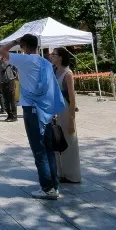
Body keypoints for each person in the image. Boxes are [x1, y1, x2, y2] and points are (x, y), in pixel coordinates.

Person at [0, 34, 65, 200]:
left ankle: (47, 188)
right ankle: (54, 186)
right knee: (48, 149)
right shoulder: (45, 62)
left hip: (32, 109)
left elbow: (2, 51)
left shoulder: (25, 60)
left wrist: (14, 41)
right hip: (46, 109)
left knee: (39, 150)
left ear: (24, 46)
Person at [50, 47, 81, 183]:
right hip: (55, 109)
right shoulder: (53, 70)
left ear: (61, 57)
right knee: (57, 141)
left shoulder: (67, 73)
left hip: (65, 109)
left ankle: (72, 175)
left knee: (69, 141)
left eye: (54, 54)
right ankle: (60, 172)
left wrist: (71, 119)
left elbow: (72, 97)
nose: (51, 56)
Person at [0, 55, 18, 121]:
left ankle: (14, 116)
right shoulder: (1, 60)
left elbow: (2, 67)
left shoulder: (7, 59)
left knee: (12, 99)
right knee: (6, 100)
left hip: (10, 81)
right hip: (3, 82)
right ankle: (9, 115)